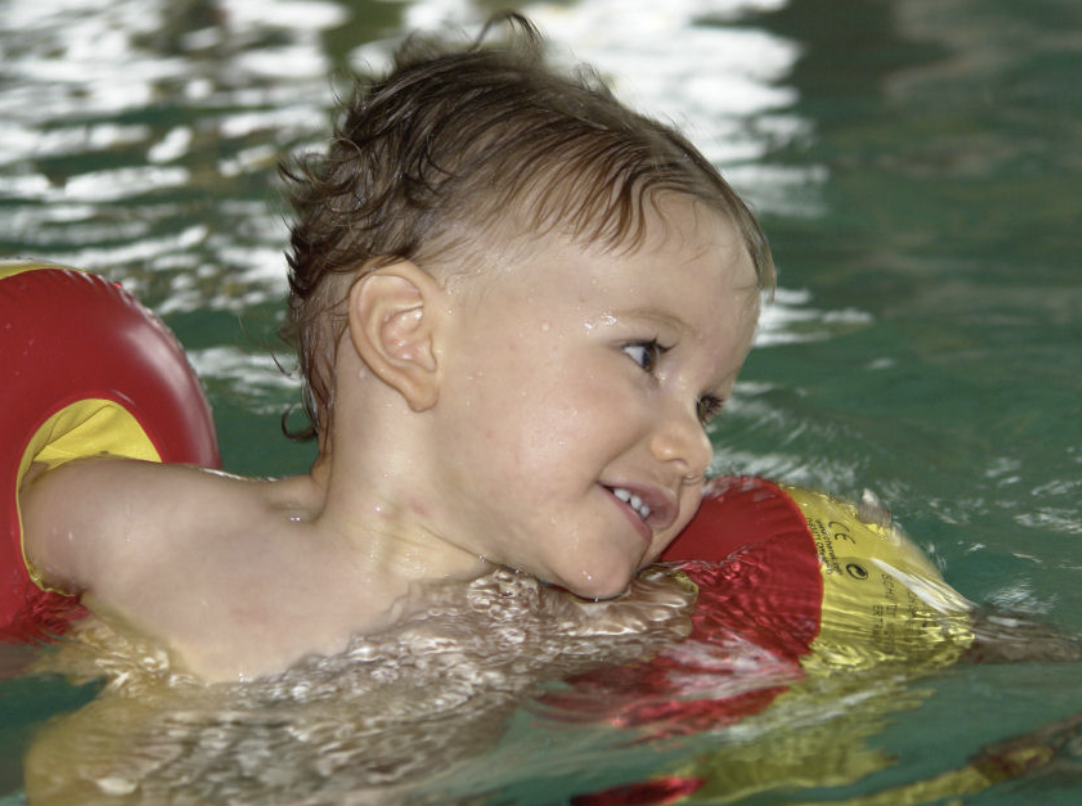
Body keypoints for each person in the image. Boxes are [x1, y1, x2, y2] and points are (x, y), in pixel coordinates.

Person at [17, 15, 774, 683]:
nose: (694, 451)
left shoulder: (579, 634)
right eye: (645, 356)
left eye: (707, 406)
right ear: (407, 336)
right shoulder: (151, 529)